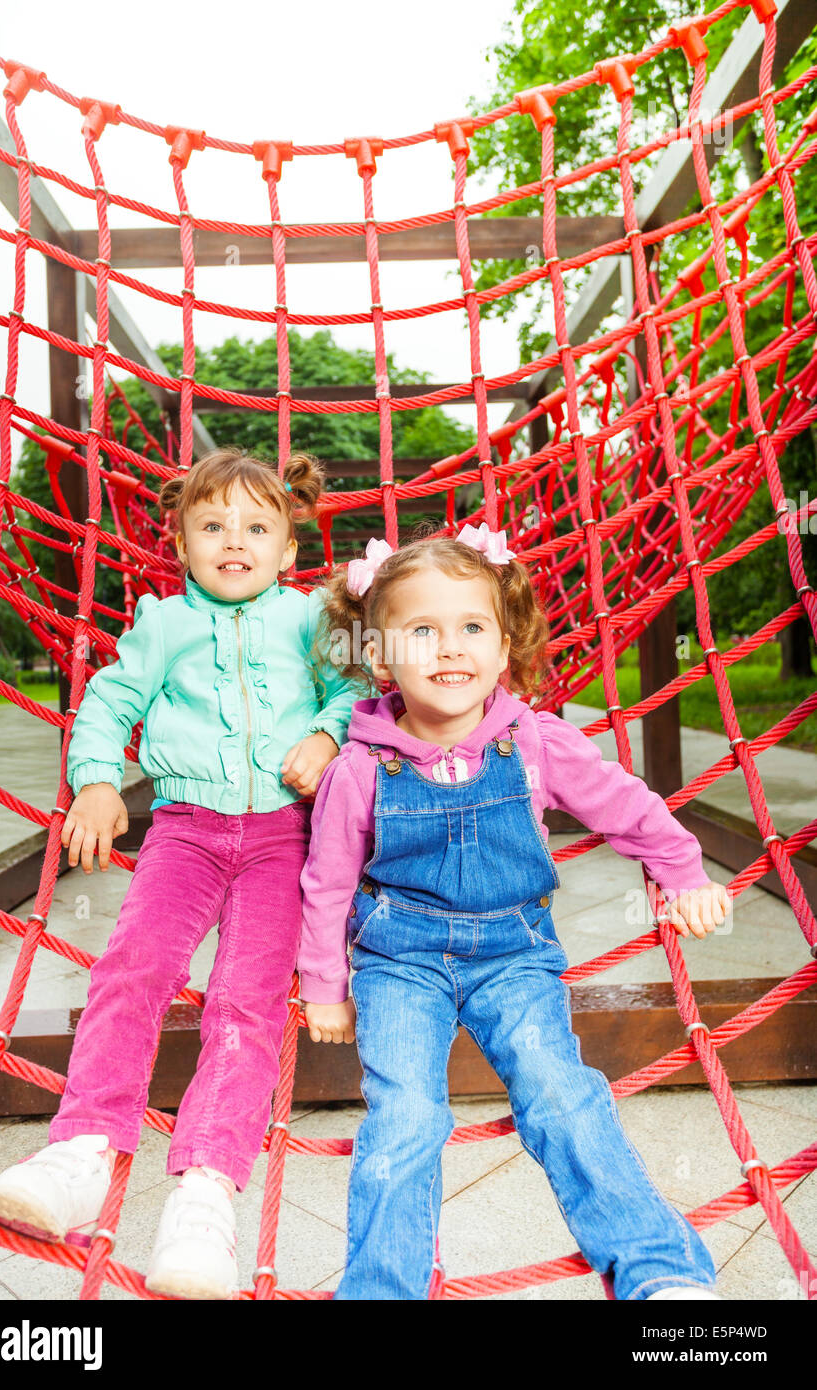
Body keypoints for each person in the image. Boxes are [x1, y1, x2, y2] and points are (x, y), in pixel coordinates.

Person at [298, 525, 733, 1301]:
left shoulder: (534, 741)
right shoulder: (359, 768)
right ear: (379, 657)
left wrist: (684, 871)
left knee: (562, 1094)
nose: (450, 648)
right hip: (400, 962)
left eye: (472, 628)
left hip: (514, 955)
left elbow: (625, 807)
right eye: (421, 631)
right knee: (405, 1120)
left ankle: (660, 1272)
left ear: (503, 649)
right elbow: (326, 883)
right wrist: (324, 984)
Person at [0, 448, 364, 1300]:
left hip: (283, 837)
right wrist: (94, 781)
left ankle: (206, 1189)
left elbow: (355, 691)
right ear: (182, 544)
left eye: (257, 527)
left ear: (289, 549)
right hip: (184, 832)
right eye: (213, 525)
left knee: (246, 1001)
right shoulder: (161, 623)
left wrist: (327, 736)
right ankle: (83, 1146)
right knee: (134, 967)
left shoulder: (311, 620)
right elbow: (111, 701)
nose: (236, 540)